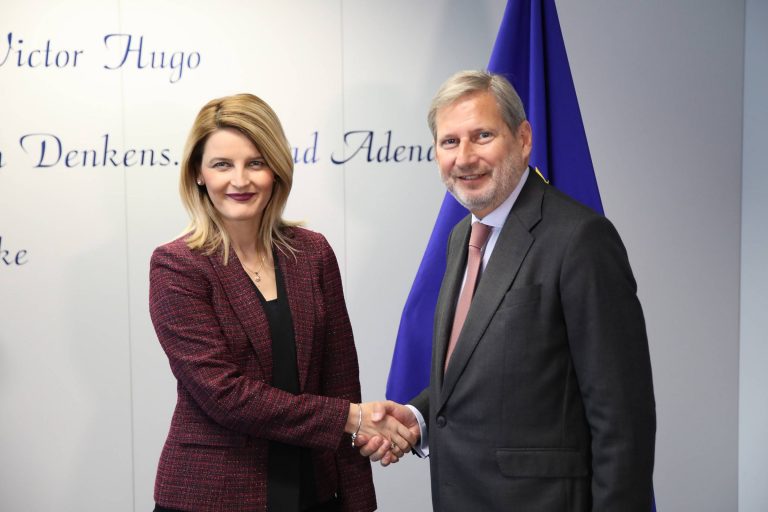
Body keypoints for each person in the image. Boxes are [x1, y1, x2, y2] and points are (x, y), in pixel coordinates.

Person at [358, 71, 656, 511]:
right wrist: (419, 417)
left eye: (482, 136)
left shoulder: (580, 239)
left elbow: (623, 419)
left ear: (524, 138)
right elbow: (479, 372)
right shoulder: (462, 236)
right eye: (450, 142)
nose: (464, 158)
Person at [149, 93, 415, 512]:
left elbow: (341, 381)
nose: (240, 180)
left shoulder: (313, 253)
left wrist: (360, 501)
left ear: (275, 168)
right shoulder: (177, 266)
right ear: (198, 173)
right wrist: (350, 417)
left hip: (314, 491)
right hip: (213, 496)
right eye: (222, 164)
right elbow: (225, 395)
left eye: (255, 162)